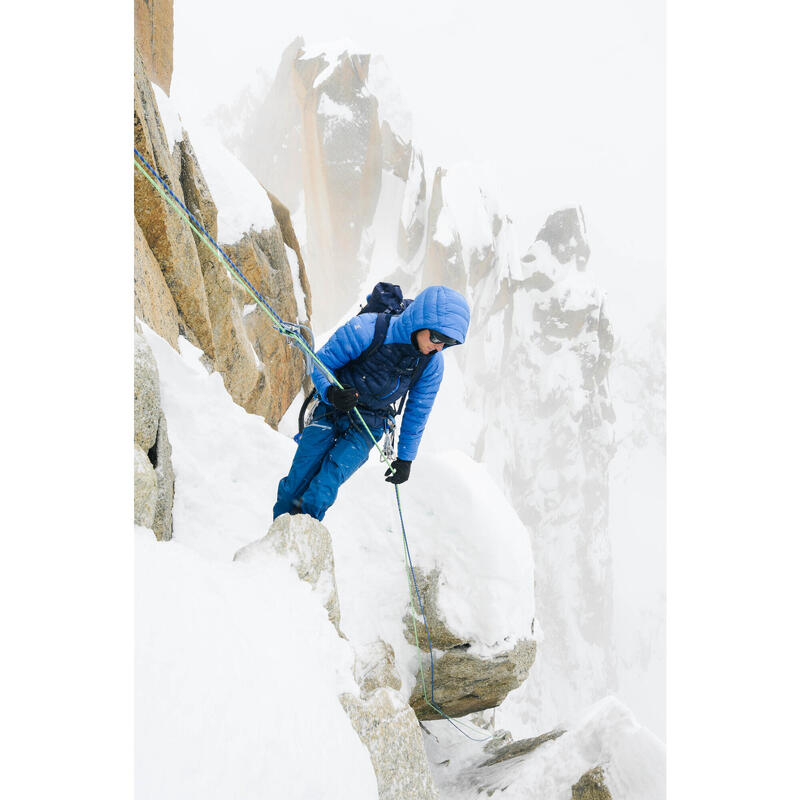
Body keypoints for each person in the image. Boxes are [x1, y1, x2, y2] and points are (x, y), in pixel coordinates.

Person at [273, 285, 470, 521]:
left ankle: (301, 546)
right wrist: (331, 393)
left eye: (448, 344)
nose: (439, 347)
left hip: (369, 427)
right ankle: (278, 541)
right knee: (294, 487)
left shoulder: (431, 365)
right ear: (420, 321)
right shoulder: (367, 329)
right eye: (437, 338)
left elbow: (418, 411)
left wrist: (405, 459)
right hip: (331, 410)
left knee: (321, 491)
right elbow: (320, 363)